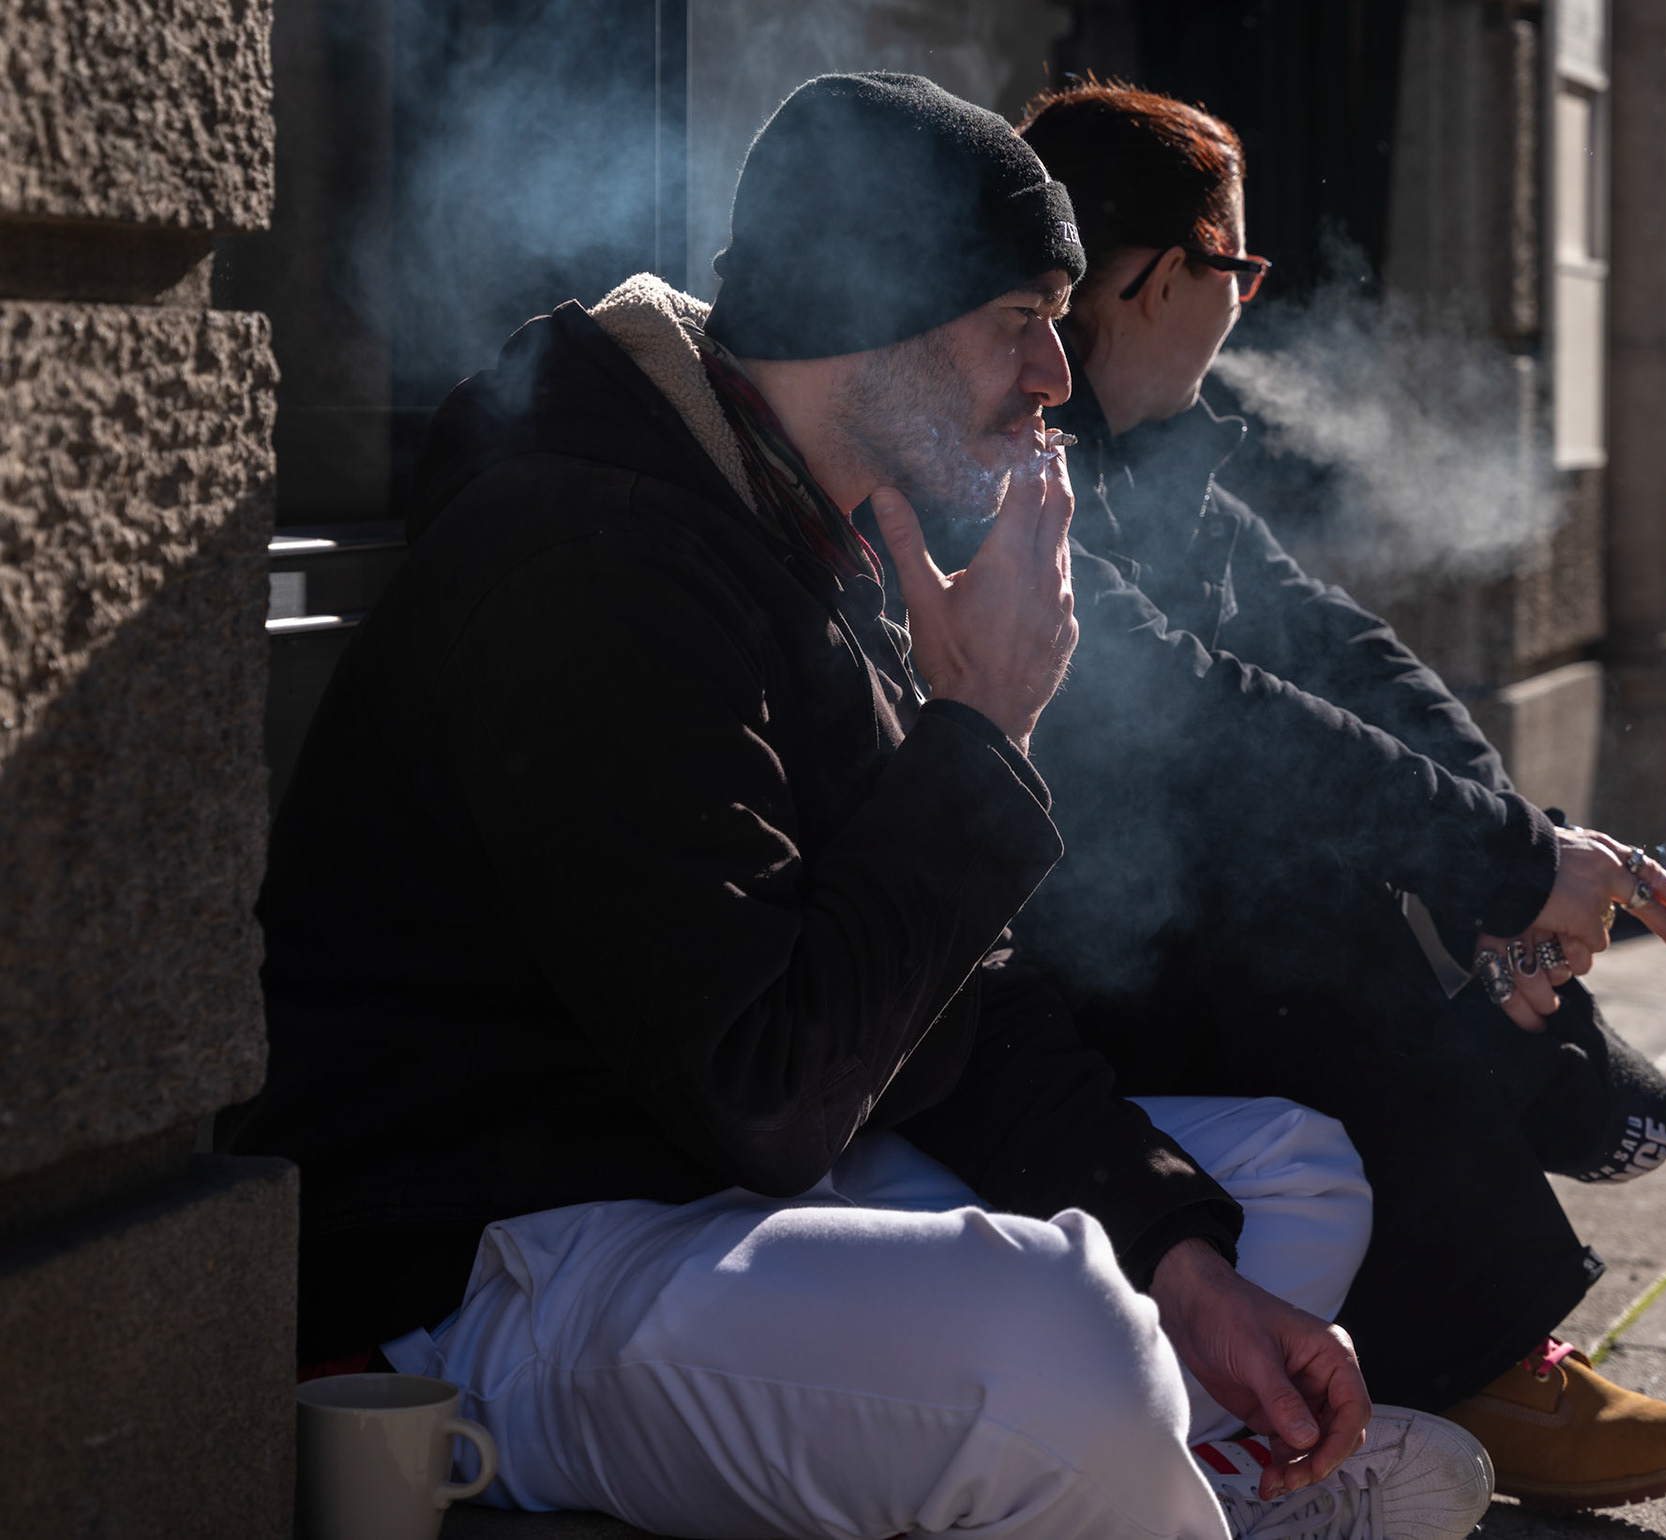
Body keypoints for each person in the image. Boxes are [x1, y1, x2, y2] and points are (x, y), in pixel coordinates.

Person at [220, 73, 1497, 1540]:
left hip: (693, 1173)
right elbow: (766, 1091)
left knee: (1284, 1185)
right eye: (1021, 318)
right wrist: (980, 733)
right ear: (871, 301)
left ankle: (1168, 1475)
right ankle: (1162, 1479)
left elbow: (954, 1008)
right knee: (1054, 1339)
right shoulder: (594, 565)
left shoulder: (808, 525)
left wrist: (1184, 1263)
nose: (1056, 375)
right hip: (494, 1264)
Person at [982, 81, 1666, 1512]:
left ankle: (1546, 1071)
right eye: (1239, 267)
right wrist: (1509, 867)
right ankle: (1484, 1346)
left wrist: (1532, 860)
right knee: (1311, 899)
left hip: (1110, 942)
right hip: (1016, 981)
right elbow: (1211, 713)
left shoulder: (1165, 467)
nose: (1247, 304)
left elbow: (1352, 658)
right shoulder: (1013, 460)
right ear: (1158, 277)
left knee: (1394, 859)